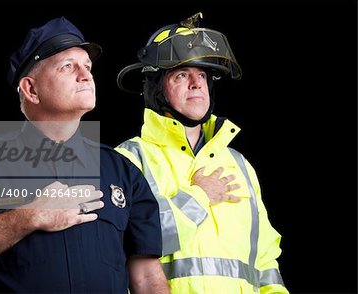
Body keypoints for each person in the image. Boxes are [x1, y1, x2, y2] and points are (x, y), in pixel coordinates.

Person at [0, 16, 169, 293]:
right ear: (31, 89)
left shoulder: (123, 171)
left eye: (87, 67)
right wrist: (31, 216)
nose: (86, 75)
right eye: (68, 67)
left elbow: (146, 277)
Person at [115, 12, 289, 293]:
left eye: (203, 75)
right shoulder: (129, 159)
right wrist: (199, 197)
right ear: (156, 88)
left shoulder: (240, 165)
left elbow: (266, 263)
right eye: (182, 75)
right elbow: (129, 241)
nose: (196, 84)